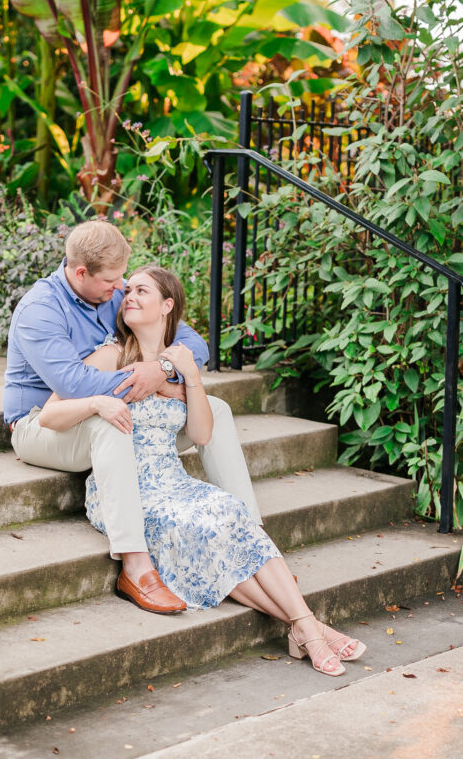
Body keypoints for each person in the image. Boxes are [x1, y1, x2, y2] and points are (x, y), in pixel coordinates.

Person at [37, 265, 368, 677]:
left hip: (174, 482)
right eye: (128, 291)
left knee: (230, 511)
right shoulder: (110, 356)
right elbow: (50, 414)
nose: (130, 296)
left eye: (142, 291)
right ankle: (311, 629)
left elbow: (201, 432)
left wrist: (191, 377)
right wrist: (96, 403)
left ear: (167, 305)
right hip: (128, 491)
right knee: (207, 532)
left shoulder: (176, 362)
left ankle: (302, 628)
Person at [3, 221, 260, 616]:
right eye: (111, 279)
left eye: (124, 276)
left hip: (115, 413)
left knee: (217, 409)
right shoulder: (41, 310)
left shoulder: (112, 292)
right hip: (45, 423)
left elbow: (191, 342)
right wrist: (151, 378)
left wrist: (163, 371)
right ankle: (136, 566)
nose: (121, 285)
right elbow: (73, 384)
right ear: (80, 273)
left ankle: (254, 542)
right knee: (111, 418)